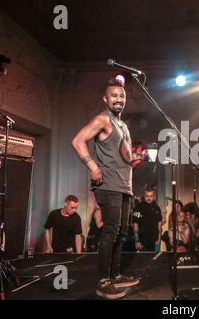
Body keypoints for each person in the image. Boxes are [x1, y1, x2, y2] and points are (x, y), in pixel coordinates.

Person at [71, 78, 139, 299]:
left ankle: (115, 275)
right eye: (114, 96)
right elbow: (78, 140)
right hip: (108, 184)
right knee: (110, 231)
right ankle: (103, 281)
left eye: (122, 96)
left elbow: (124, 157)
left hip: (124, 186)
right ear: (105, 99)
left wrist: (136, 158)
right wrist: (92, 165)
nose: (119, 99)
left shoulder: (123, 125)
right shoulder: (103, 119)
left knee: (121, 231)